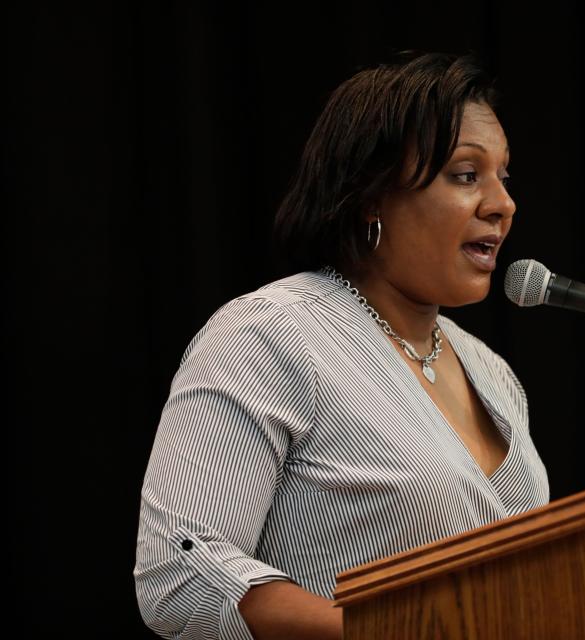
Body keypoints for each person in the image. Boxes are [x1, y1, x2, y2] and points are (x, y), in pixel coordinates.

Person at [134, 51, 550, 640]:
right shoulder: (270, 334)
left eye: (503, 178)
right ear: (371, 195)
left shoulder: (493, 373)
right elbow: (181, 572)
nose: (502, 204)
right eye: (465, 175)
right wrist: (395, 630)